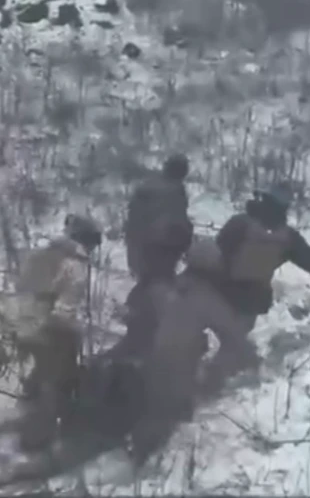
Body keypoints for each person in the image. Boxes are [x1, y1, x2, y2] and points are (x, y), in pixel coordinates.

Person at [131, 188, 310, 463]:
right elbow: (309, 258)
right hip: (249, 301)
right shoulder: (288, 237)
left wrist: (188, 279)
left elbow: (216, 254)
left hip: (219, 292)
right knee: (233, 346)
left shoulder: (240, 224)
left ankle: (184, 386)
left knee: (187, 343)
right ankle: (210, 381)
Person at [12, 214, 99, 452]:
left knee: (41, 374)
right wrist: (75, 336)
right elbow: (65, 311)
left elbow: (21, 286)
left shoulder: (43, 253)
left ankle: (25, 414)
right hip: (49, 328)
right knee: (56, 380)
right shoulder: (75, 265)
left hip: (22, 321)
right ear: (88, 241)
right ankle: (36, 440)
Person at [116, 154, 194, 357]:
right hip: (162, 251)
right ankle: (146, 335)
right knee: (158, 288)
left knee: (148, 284)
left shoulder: (146, 187)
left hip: (139, 248)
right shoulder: (175, 191)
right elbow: (178, 224)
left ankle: (136, 324)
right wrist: (186, 242)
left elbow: (133, 223)